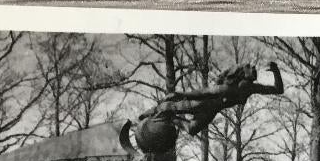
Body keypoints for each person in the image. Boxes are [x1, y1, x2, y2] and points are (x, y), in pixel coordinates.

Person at [120, 61, 283, 153]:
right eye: (251, 67)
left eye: (254, 68)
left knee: (191, 129)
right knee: (166, 107)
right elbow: (203, 92)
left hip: (210, 110)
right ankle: (141, 119)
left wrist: (275, 71)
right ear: (242, 72)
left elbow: (277, 89)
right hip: (199, 103)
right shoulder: (227, 87)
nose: (254, 69)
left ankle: (166, 122)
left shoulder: (249, 88)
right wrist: (182, 95)